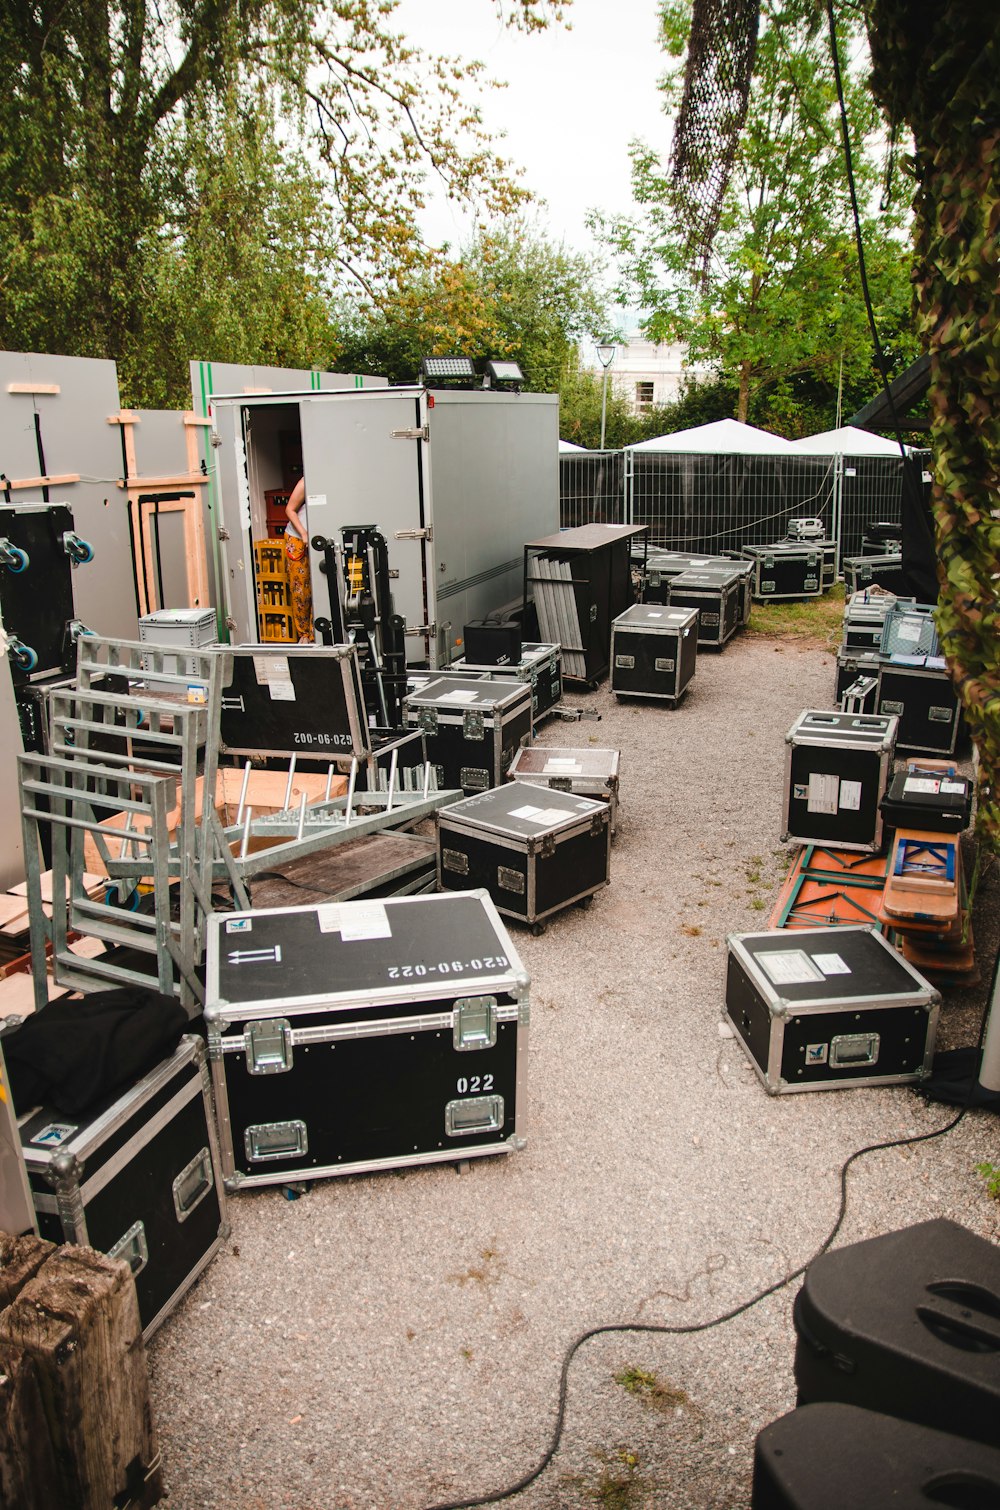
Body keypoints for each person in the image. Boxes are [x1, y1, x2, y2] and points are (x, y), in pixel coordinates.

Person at [283, 476, 314, 642]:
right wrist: (304, 533)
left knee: (320, 586)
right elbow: (290, 509)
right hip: (297, 538)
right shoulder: (306, 480)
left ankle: (315, 633)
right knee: (301, 588)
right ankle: (304, 635)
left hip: (320, 540)